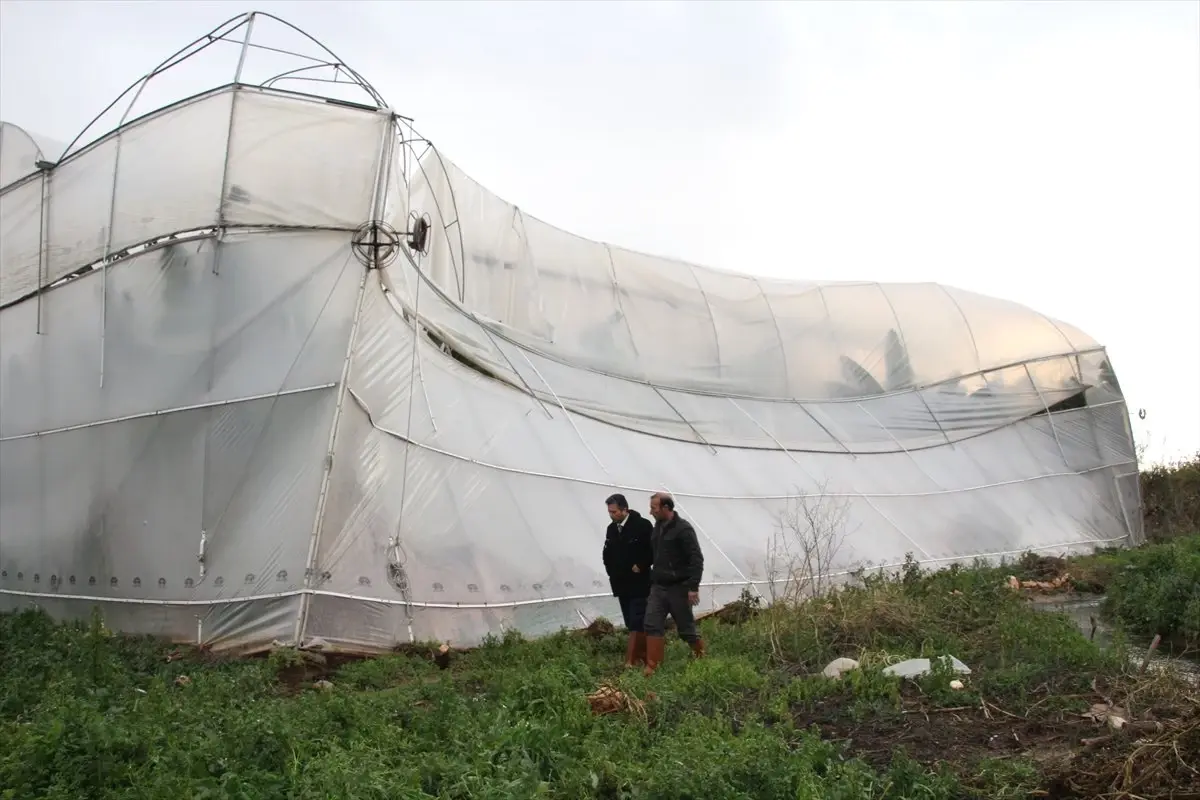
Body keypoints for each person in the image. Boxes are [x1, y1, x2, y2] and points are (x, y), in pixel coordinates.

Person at [643, 491, 705, 675]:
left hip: (679, 587)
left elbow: (696, 559)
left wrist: (693, 587)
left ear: (666, 508)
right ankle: (653, 667)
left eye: (654, 508)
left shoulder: (683, 529)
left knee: (685, 628)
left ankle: (701, 655)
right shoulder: (658, 527)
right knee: (652, 623)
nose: (651, 512)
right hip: (658, 586)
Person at [601, 493, 654, 667]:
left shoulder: (642, 526)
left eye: (614, 512)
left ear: (625, 509)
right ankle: (642, 655)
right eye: (609, 512)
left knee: (637, 619)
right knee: (630, 620)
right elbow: (607, 554)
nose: (611, 515)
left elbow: (654, 550)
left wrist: (642, 565)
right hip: (621, 584)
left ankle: (632, 660)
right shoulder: (611, 529)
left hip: (639, 583)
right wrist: (611, 572)